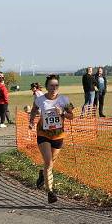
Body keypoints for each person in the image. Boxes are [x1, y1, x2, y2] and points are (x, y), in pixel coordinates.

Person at [29, 74, 74, 203]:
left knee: (50, 163)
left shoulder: (64, 100)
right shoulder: (40, 99)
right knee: (48, 162)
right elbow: (34, 109)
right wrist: (31, 121)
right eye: (51, 85)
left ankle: (42, 174)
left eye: (56, 85)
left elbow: (72, 116)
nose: (54, 88)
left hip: (58, 135)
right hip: (43, 134)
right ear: (47, 87)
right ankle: (50, 192)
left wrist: (63, 113)